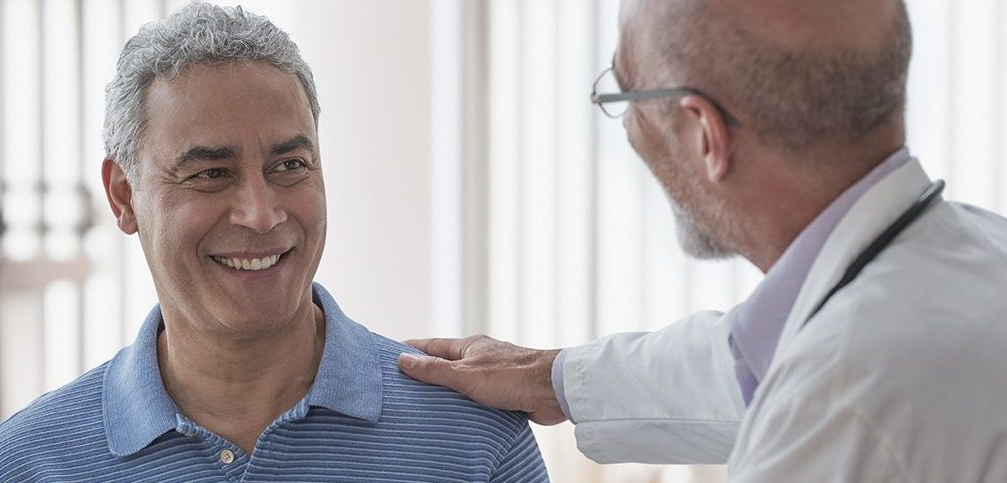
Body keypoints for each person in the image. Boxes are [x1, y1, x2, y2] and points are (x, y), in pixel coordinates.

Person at [399, 0, 1007, 480]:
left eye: (624, 92)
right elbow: (744, 368)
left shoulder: (844, 405)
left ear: (705, 134)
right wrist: (549, 378)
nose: (630, 129)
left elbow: (811, 385)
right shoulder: (978, 252)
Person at [0, 3, 547, 482]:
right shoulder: (21, 467)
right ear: (124, 197)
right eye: (210, 173)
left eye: (289, 164)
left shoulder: (474, 441)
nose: (262, 214)